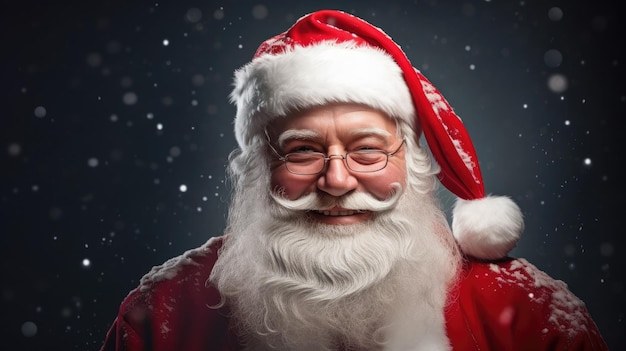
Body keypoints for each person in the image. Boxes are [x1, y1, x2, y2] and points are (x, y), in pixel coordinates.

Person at [100, 9, 608, 351]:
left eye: (367, 150)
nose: (338, 180)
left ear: (411, 161)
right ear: (259, 169)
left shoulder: (526, 313)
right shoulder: (163, 314)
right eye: (302, 151)